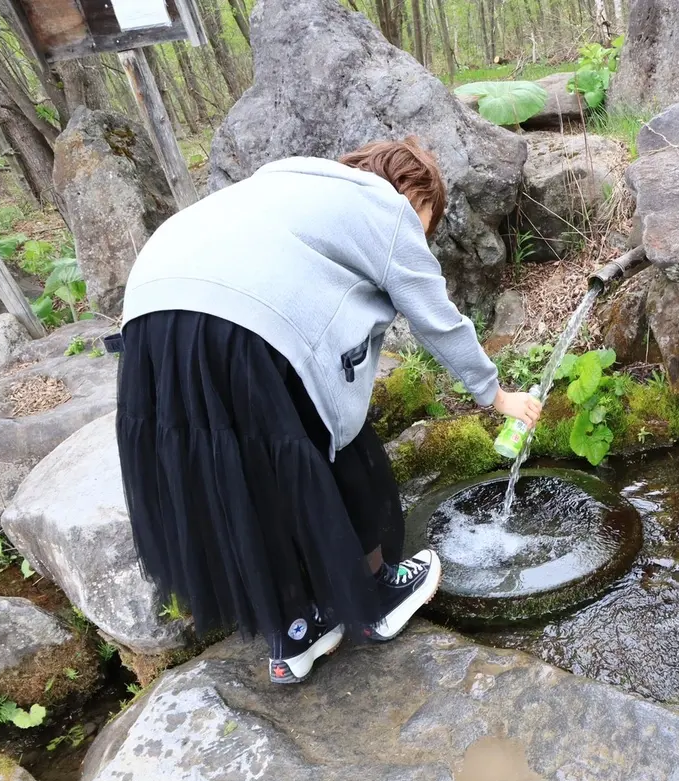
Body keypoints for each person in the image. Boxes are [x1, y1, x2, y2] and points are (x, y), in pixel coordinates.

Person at [115, 137, 541, 684]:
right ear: (416, 197)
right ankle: (376, 599)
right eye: (428, 223)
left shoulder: (281, 186)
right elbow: (437, 317)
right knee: (343, 442)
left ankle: (295, 632)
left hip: (151, 320)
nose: (423, 235)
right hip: (244, 324)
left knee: (239, 473)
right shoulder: (386, 207)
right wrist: (495, 394)